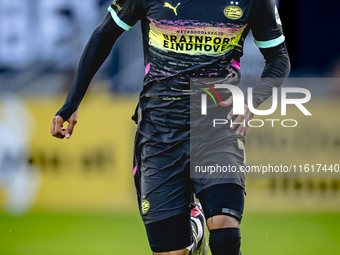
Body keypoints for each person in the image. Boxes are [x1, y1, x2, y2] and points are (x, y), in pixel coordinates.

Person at [50, 0, 290, 254]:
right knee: (172, 252)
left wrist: (252, 100)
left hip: (217, 126)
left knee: (225, 235)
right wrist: (72, 102)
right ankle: (194, 232)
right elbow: (103, 35)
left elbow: (278, 58)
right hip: (159, 131)